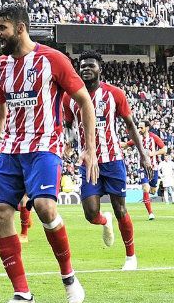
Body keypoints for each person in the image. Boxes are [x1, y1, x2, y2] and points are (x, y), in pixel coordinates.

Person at [0, 4, 99, 303]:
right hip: (12, 149)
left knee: (44, 206)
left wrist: (90, 148)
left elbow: (84, 101)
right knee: (0, 213)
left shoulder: (52, 59)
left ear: (20, 28)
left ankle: (69, 277)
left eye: (2, 28)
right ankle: (22, 295)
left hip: (45, 145)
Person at [63, 50, 150, 271]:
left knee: (120, 208)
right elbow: (68, 125)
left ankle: (131, 256)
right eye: (82, 66)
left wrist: (143, 154)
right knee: (90, 213)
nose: (86, 69)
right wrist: (69, 143)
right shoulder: (69, 97)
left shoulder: (114, 94)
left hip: (113, 160)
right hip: (88, 163)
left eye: (91, 65)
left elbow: (130, 125)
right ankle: (104, 221)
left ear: (100, 68)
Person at [121, 121, 166, 220]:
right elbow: (125, 145)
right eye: (138, 127)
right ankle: (150, 213)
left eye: (141, 127)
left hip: (153, 168)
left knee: (153, 190)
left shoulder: (154, 137)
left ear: (147, 128)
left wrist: (152, 153)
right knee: (145, 188)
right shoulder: (137, 138)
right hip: (142, 168)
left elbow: (164, 149)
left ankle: (151, 192)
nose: (139, 129)